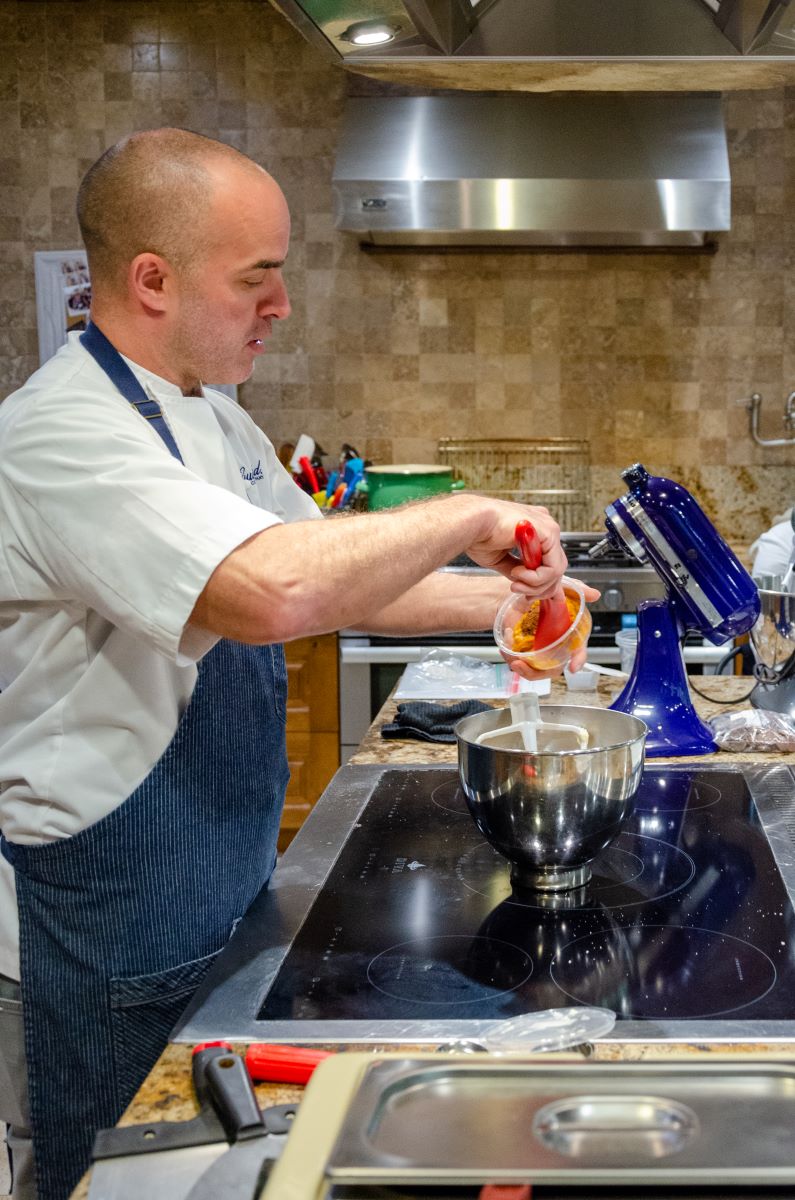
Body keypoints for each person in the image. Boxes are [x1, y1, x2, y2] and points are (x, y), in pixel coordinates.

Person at [0, 128, 596, 1200]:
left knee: (200, 1178)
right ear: (151, 280)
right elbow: (272, 590)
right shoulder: (62, 437)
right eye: (257, 280)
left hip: (211, 897)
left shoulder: (210, 417)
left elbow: (338, 577)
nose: (281, 307)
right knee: (107, 1183)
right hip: (98, 929)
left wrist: (514, 604)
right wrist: (463, 511)